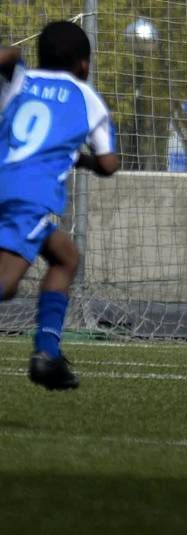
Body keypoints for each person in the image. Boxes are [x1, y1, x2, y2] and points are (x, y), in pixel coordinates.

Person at [0, 21, 120, 390]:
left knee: (65, 256)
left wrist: (14, 55)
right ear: (84, 65)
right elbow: (108, 163)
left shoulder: (19, 81)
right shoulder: (87, 98)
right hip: (27, 197)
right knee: (4, 285)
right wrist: (78, 158)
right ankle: (46, 355)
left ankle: (47, 354)